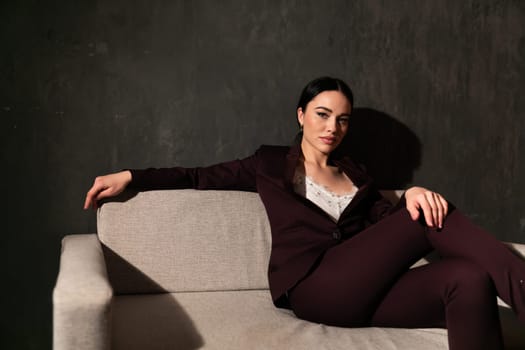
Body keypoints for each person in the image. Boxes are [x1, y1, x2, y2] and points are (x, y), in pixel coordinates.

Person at [84, 77, 525, 350]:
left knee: (468, 278)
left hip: (362, 296)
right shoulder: (269, 164)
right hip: (314, 288)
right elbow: (198, 176)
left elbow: (383, 230)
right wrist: (131, 175)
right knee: (431, 214)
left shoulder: (358, 175)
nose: (333, 127)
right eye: (323, 114)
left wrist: (410, 192)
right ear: (301, 115)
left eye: (343, 119)